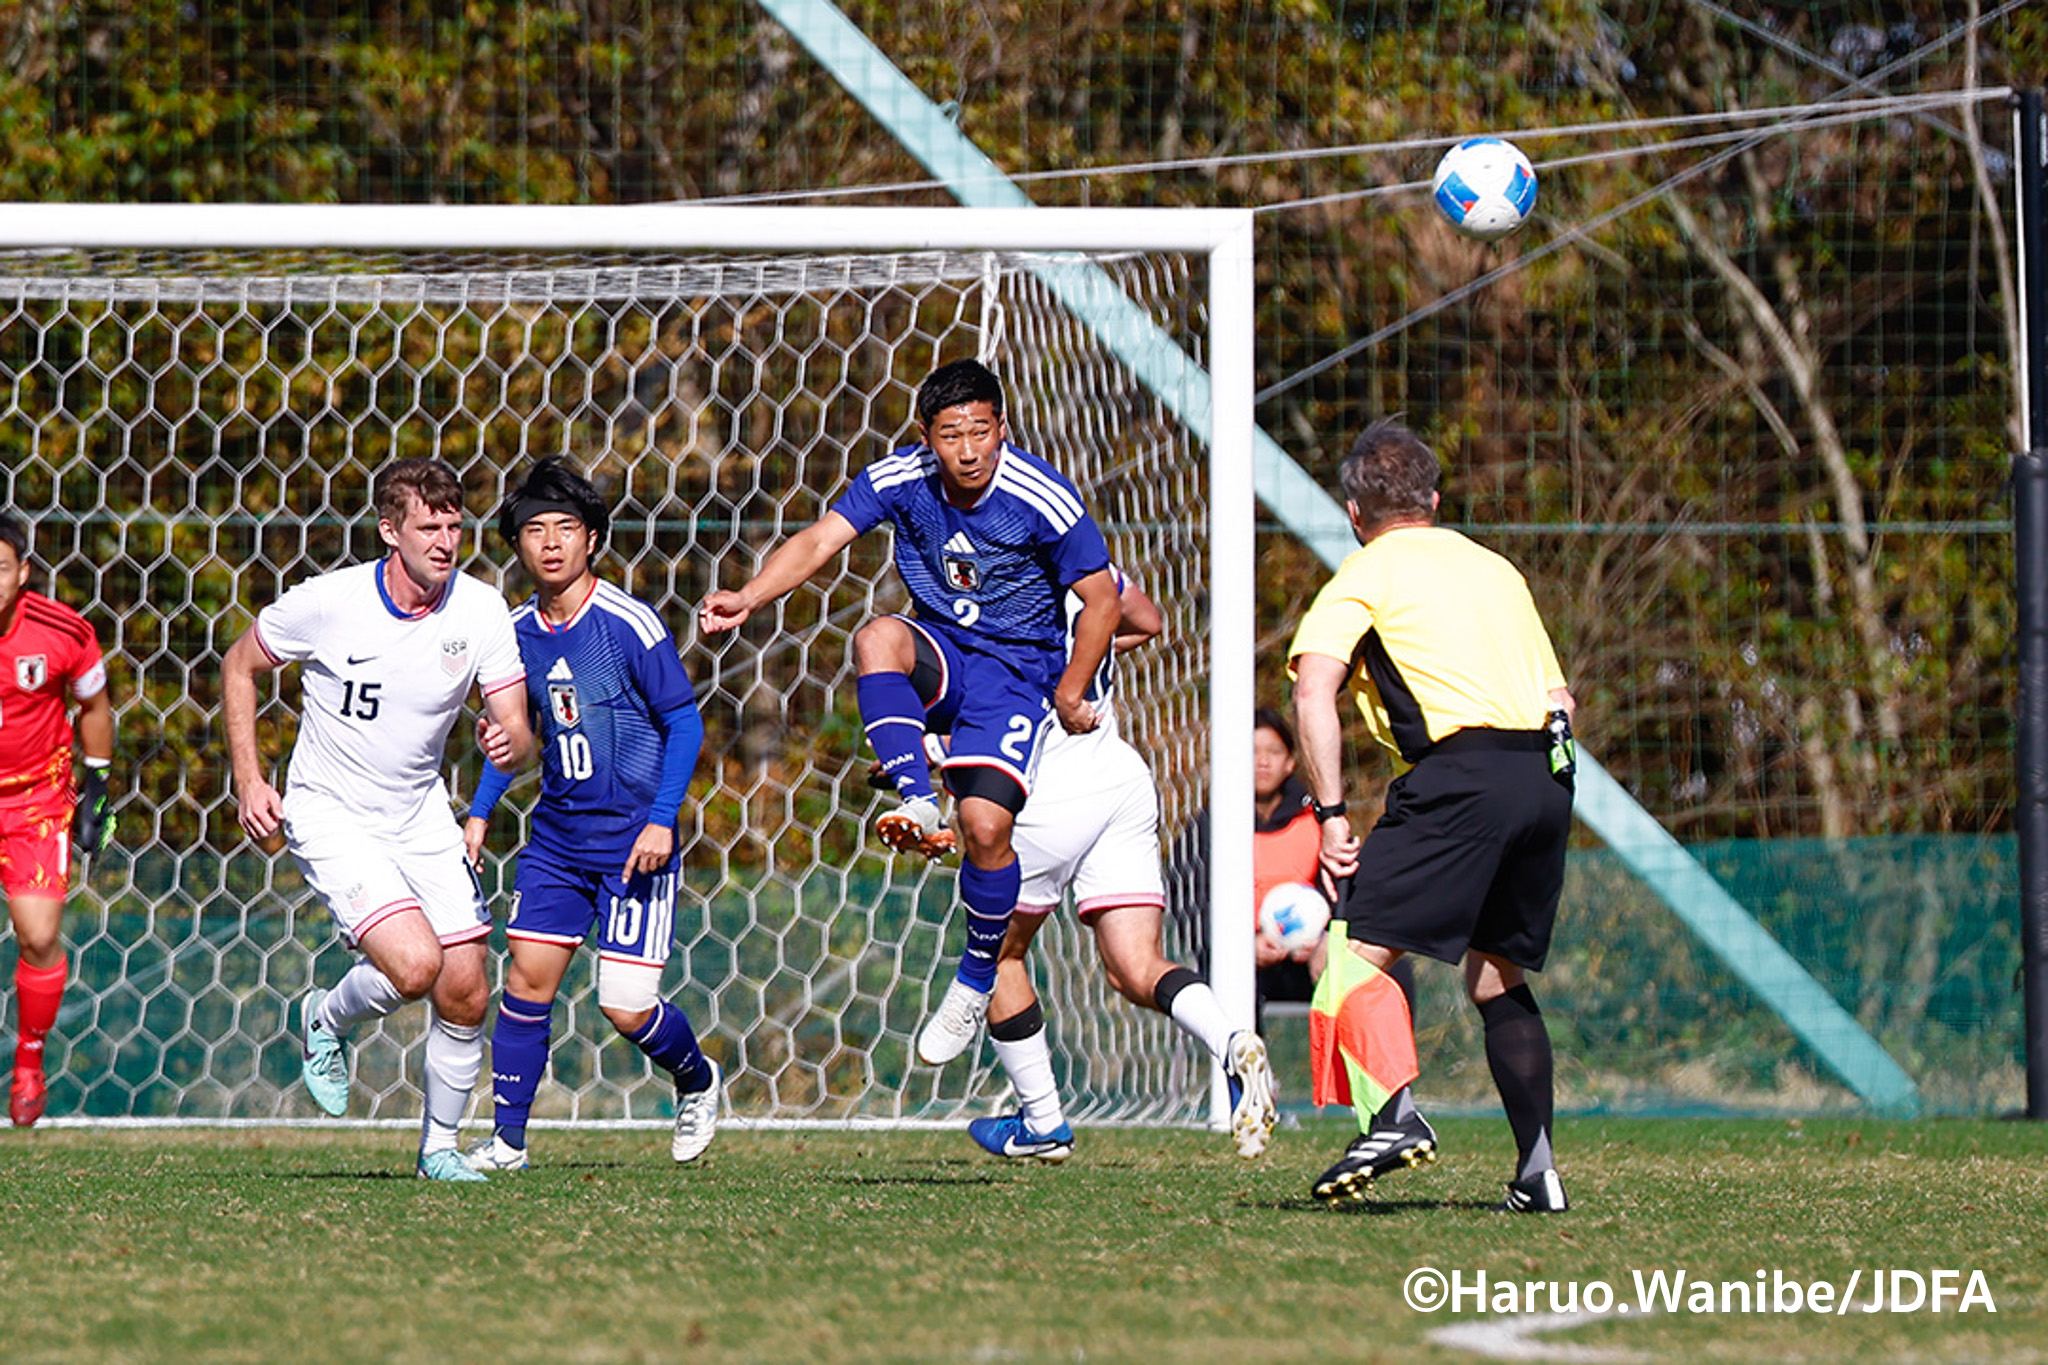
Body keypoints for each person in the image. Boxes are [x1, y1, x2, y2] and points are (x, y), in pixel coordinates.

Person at [698, 358, 1122, 1067]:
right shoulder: (900, 479)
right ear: (926, 436)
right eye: (951, 433)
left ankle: (976, 977)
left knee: (988, 829)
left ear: (1002, 429)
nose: (967, 449)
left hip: (1017, 675)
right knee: (875, 637)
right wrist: (748, 596)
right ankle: (920, 800)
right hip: (944, 650)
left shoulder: (1040, 495)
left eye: (980, 432)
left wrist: (1072, 690)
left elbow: (1105, 599)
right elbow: (820, 538)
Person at [1289, 418, 1575, 1213]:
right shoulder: (1497, 569)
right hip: (1546, 776)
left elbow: (1314, 689)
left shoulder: (1364, 573)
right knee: (1496, 973)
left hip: (1461, 776)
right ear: (1436, 499)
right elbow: (1561, 698)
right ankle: (1537, 1169)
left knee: (1348, 959)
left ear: (1354, 511)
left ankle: (1393, 1117)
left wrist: (1332, 812)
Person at [222, 458, 533, 1181]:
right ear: (390, 530)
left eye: (456, 525)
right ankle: (326, 1017)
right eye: (430, 526)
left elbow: (516, 732)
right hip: (330, 810)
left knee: (466, 984)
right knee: (418, 965)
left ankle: (438, 1152)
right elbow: (240, 664)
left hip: (419, 808)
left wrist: (505, 740)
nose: (447, 540)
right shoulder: (330, 603)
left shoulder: (482, 609)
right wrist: (248, 778)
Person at [959, 569, 1277, 1162]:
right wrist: (1086, 648)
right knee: (1134, 968)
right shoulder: (1081, 568)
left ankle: (1043, 1123)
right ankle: (1232, 1042)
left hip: (1044, 786)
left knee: (997, 954)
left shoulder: (982, 576)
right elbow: (1149, 621)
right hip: (1118, 774)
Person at [461, 458, 720, 1171]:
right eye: (534, 530)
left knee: (626, 1006)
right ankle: (508, 1142)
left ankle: (696, 1079)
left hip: (635, 845)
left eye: (565, 529)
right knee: (524, 981)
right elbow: (514, 736)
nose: (550, 543)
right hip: (557, 843)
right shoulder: (513, 634)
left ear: (593, 539)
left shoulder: (628, 622)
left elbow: (684, 723)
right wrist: (480, 812)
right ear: (516, 544)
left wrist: (662, 819)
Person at [0, 511, 116, 1128]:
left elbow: (93, 704)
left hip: (34, 801)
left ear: (21, 573)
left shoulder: (62, 632)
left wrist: (95, 786)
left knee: (39, 937)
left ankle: (29, 1062)